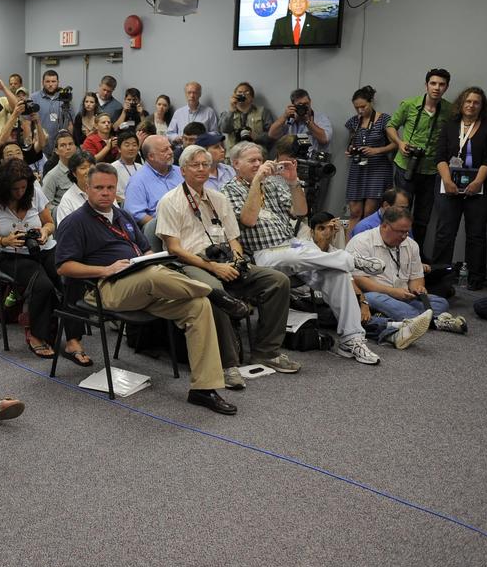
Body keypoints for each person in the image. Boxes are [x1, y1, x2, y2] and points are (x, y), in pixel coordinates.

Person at [55, 164, 237, 415]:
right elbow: (64, 267)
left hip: (145, 282)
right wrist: (104, 270)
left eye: (110, 188)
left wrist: (150, 259)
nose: (105, 193)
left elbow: (146, 251)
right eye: (98, 188)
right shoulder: (74, 222)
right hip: (106, 288)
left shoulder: (123, 216)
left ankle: (203, 389)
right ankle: (214, 292)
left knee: (198, 306)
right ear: (87, 189)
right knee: (153, 276)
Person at [223, 141, 384, 365]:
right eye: (253, 161)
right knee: (304, 256)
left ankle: (351, 340)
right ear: (235, 164)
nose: (259, 164)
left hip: (293, 244)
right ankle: (350, 259)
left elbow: (301, 211)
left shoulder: (273, 185)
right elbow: (248, 220)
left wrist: (292, 182)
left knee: (336, 274)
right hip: (264, 254)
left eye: (260, 160)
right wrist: (257, 180)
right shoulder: (228, 190)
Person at [156, 146, 295, 386]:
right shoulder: (170, 201)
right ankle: (227, 364)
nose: (201, 169)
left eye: (205, 165)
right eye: (195, 165)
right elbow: (174, 249)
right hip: (190, 262)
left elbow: (233, 239)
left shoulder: (218, 198)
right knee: (215, 291)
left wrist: (238, 260)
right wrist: (213, 268)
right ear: (183, 171)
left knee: (277, 281)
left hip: (225, 258)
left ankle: (266, 351)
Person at [0, 158, 89, 363]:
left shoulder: (34, 192)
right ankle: (37, 335)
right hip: (12, 254)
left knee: (70, 278)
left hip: (44, 247)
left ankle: (73, 339)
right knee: (43, 285)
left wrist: (45, 232)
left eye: (23, 187)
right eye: (15, 188)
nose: (20, 192)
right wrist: (6, 240)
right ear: (5, 187)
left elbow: (50, 223)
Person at [309, 213, 432, 351]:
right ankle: (399, 326)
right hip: (309, 303)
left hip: (335, 300)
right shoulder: (302, 251)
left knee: (440, 302)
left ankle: (402, 328)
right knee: (348, 316)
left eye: (330, 228)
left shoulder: (336, 253)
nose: (326, 232)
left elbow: (349, 279)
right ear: (311, 231)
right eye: (321, 228)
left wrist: (363, 303)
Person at [347, 206, 466, 334]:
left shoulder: (411, 244)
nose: (404, 236)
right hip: (373, 294)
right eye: (400, 232)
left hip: (404, 295)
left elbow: (416, 277)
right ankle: (433, 321)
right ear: (385, 226)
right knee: (373, 298)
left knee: (441, 302)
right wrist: (393, 292)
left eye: (407, 231)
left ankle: (411, 320)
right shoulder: (361, 242)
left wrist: (418, 288)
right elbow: (359, 279)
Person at [430, 86, 487, 287]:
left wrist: (477, 181)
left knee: (476, 233)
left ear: (482, 106)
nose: (471, 105)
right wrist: (447, 180)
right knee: (445, 231)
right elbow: (440, 156)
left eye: (476, 102)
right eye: (468, 101)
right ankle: (439, 277)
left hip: (481, 186)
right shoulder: (449, 125)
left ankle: (476, 279)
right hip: (448, 184)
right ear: (461, 104)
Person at [386, 68, 453, 245]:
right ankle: (394, 248)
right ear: (426, 85)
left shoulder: (449, 110)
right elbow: (391, 126)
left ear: (446, 87)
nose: (437, 88)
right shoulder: (409, 104)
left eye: (441, 84)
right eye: (433, 83)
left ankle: (415, 254)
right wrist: (400, 143)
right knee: (400, 211)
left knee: (423, 217)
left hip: (432, 170)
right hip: (406, 166)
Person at [342, 85, 396, 234]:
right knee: (354, 212)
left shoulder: (385, 119)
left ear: (371, 102)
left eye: (363, 106)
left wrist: (376, 150)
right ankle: (349, 250)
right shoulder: (354, 122)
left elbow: (395, 144)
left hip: (378, 169)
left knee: (369, 214)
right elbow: (351, 142)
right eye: (356, 107)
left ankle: (365, 249)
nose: (360, 110)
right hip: (358, 168)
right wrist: (350, 150)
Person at [123, 134, 181, 224]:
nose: (170, 152)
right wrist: (163, 226)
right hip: (161, 231)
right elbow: (135, 214)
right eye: (164, 150)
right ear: (151, 157)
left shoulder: (181, 172)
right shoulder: (137, 181)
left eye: (170, 148)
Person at [268, 88, 333, 152]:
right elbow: (272, 135)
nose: (303, 107)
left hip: (313, 160)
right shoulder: (289, 119)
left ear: (310, 102)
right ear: (293, 105)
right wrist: (284, 116)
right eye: (299, 105)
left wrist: (308, 122)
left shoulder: (321, 118)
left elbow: (324, 139)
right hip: (292, 159)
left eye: (306, 104)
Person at [269, 0, 338, 46]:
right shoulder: (280, 23)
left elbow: (321, 46)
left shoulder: (317, 22)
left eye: (301, 1)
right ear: (289, 6)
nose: (298, 4)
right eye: (295, 1)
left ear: (307, 5)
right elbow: (273, 46)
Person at [218, 82, 270, 151]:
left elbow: (271, 134)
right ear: (234, 96)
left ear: (252, 97)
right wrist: (231, 110)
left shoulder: (263, 112)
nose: (242, 95)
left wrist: (257, 137)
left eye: (246, 92)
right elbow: (224, 130)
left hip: (256, 153)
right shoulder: (227, 113)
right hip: (234, 155)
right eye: (239, 92)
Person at [32, 70, 68, 158]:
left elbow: (70, 123)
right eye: (47, 81)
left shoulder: (64, 98)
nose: (50, 84)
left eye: (53, 81)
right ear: (42, 82)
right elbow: (26, 122)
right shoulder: (34, 98)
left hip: (60, 147)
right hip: (40, 146)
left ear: (58, 82)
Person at [54, 150, 95, 226]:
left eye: (90, 166)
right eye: (83, 168)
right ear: (74, 173)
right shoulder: (67, 199)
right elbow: (65, 231)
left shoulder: (103, 190)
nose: (88, 171)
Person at [41, 130, 79, 209]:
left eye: (70, 144)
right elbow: (45, 205)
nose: (68, 148)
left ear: (75, 147)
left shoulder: (82, 170)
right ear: (56, 151)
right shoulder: (52, 176)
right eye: (63, 145)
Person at [111, 131, 144, 202]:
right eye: (127, 145)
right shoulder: (113, 168)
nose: (131, 148)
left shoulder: (141, 168)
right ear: (119, 149)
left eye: (134, 145)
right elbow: (111, 193)